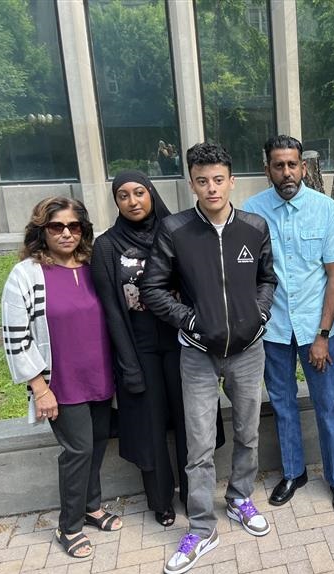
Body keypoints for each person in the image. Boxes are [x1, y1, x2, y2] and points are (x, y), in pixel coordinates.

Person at [140, 142, 277, 574]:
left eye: (219, 179)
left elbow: (267, 278)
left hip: (248, 350)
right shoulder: (176, 229)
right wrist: (192, 321)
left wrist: (259, 312)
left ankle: (239, 498)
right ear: (191, 183)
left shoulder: (254, 226)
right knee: (198, 446)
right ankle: (201, 527)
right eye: (202, 181)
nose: (211, 188)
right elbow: (153, 288)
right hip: (198, 354)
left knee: (248, 432)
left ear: (232, 181)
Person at [91, 170, 224, 528]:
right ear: (116, 202)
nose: (133, 201)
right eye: (123, 195)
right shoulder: (107, 246)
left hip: (185, 341)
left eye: (139, 192)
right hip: (140, 345)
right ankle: (161, 500)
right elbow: (111, 311)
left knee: (190, 420)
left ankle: (192, 494)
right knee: (149, 425)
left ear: (151, 193)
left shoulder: (180, 231)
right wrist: (128, 364)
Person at [2, 197, 121, 559]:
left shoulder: (92, 266)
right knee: (78, 450)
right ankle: (68, 526)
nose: (66, 233)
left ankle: (92, 506)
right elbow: (15, 336)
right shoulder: (26, 274)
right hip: (60, 383)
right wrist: (39, 388)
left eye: (74, 226)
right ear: (42, 231)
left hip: (100, 376)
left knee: (98, 443)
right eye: (56, 227)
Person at [243, 135, 334, 514]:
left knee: (328, 404)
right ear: (268, 169)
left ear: (303, 167)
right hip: (273, 331)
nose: (287, 171)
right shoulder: (251, 212)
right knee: (283, 404)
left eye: (293, 164)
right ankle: (294, 473)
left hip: (315, 330)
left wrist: (322, 334)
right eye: (279, 165)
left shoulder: (325, 209)